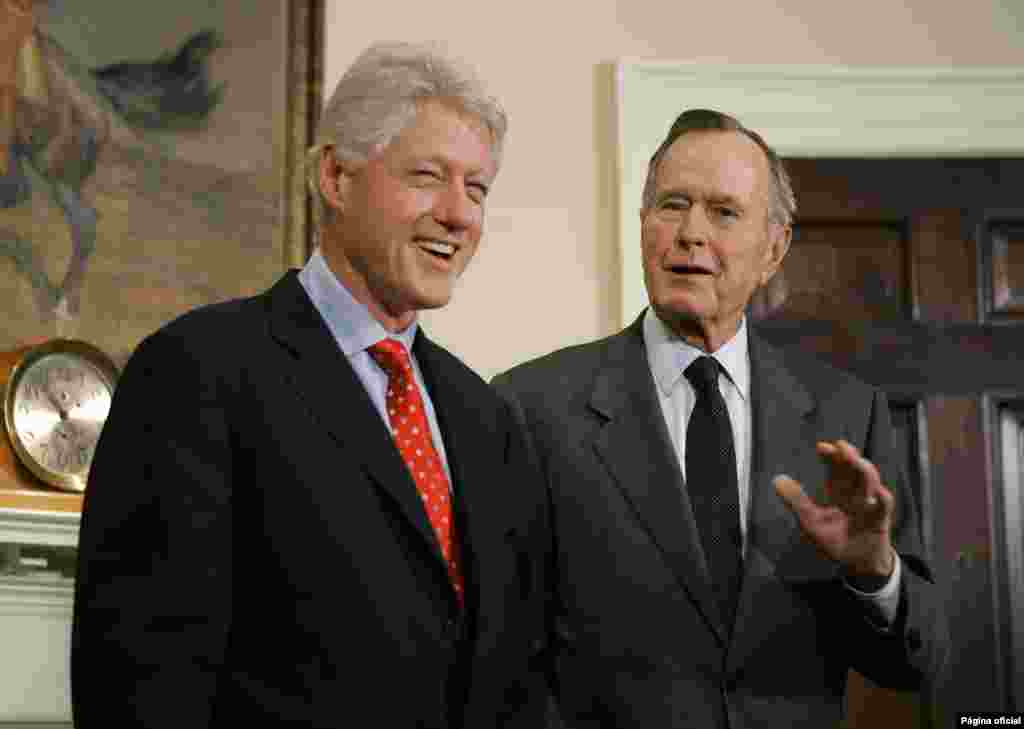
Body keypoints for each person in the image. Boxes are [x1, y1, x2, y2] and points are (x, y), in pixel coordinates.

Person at [72, 42, 551, 728]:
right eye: (428, 175)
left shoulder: (489, 419)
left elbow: (511, 682)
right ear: (335, 175)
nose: (459, 213)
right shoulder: (197, 372)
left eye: (476, 188)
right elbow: (140, 681)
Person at [492, 108, 947, 728]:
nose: (691, 233)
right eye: (672, 205)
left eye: (724, 212)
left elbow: (912, 664)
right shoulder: (533, 406)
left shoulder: (846, 411)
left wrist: (874, 572)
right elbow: (499, 653)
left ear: (774, 248)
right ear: (644, 224)